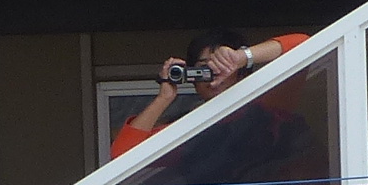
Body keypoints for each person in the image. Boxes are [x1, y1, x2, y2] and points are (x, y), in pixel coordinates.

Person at [112, 30, 310, 158]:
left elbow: (305, 45)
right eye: (204, 68)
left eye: (222, 65)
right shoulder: (188, 130)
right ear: (192, 76)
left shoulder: (268, 107)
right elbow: (123, 157)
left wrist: (242, 56)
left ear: (241, 71)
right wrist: (165, 97)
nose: (214, 73)